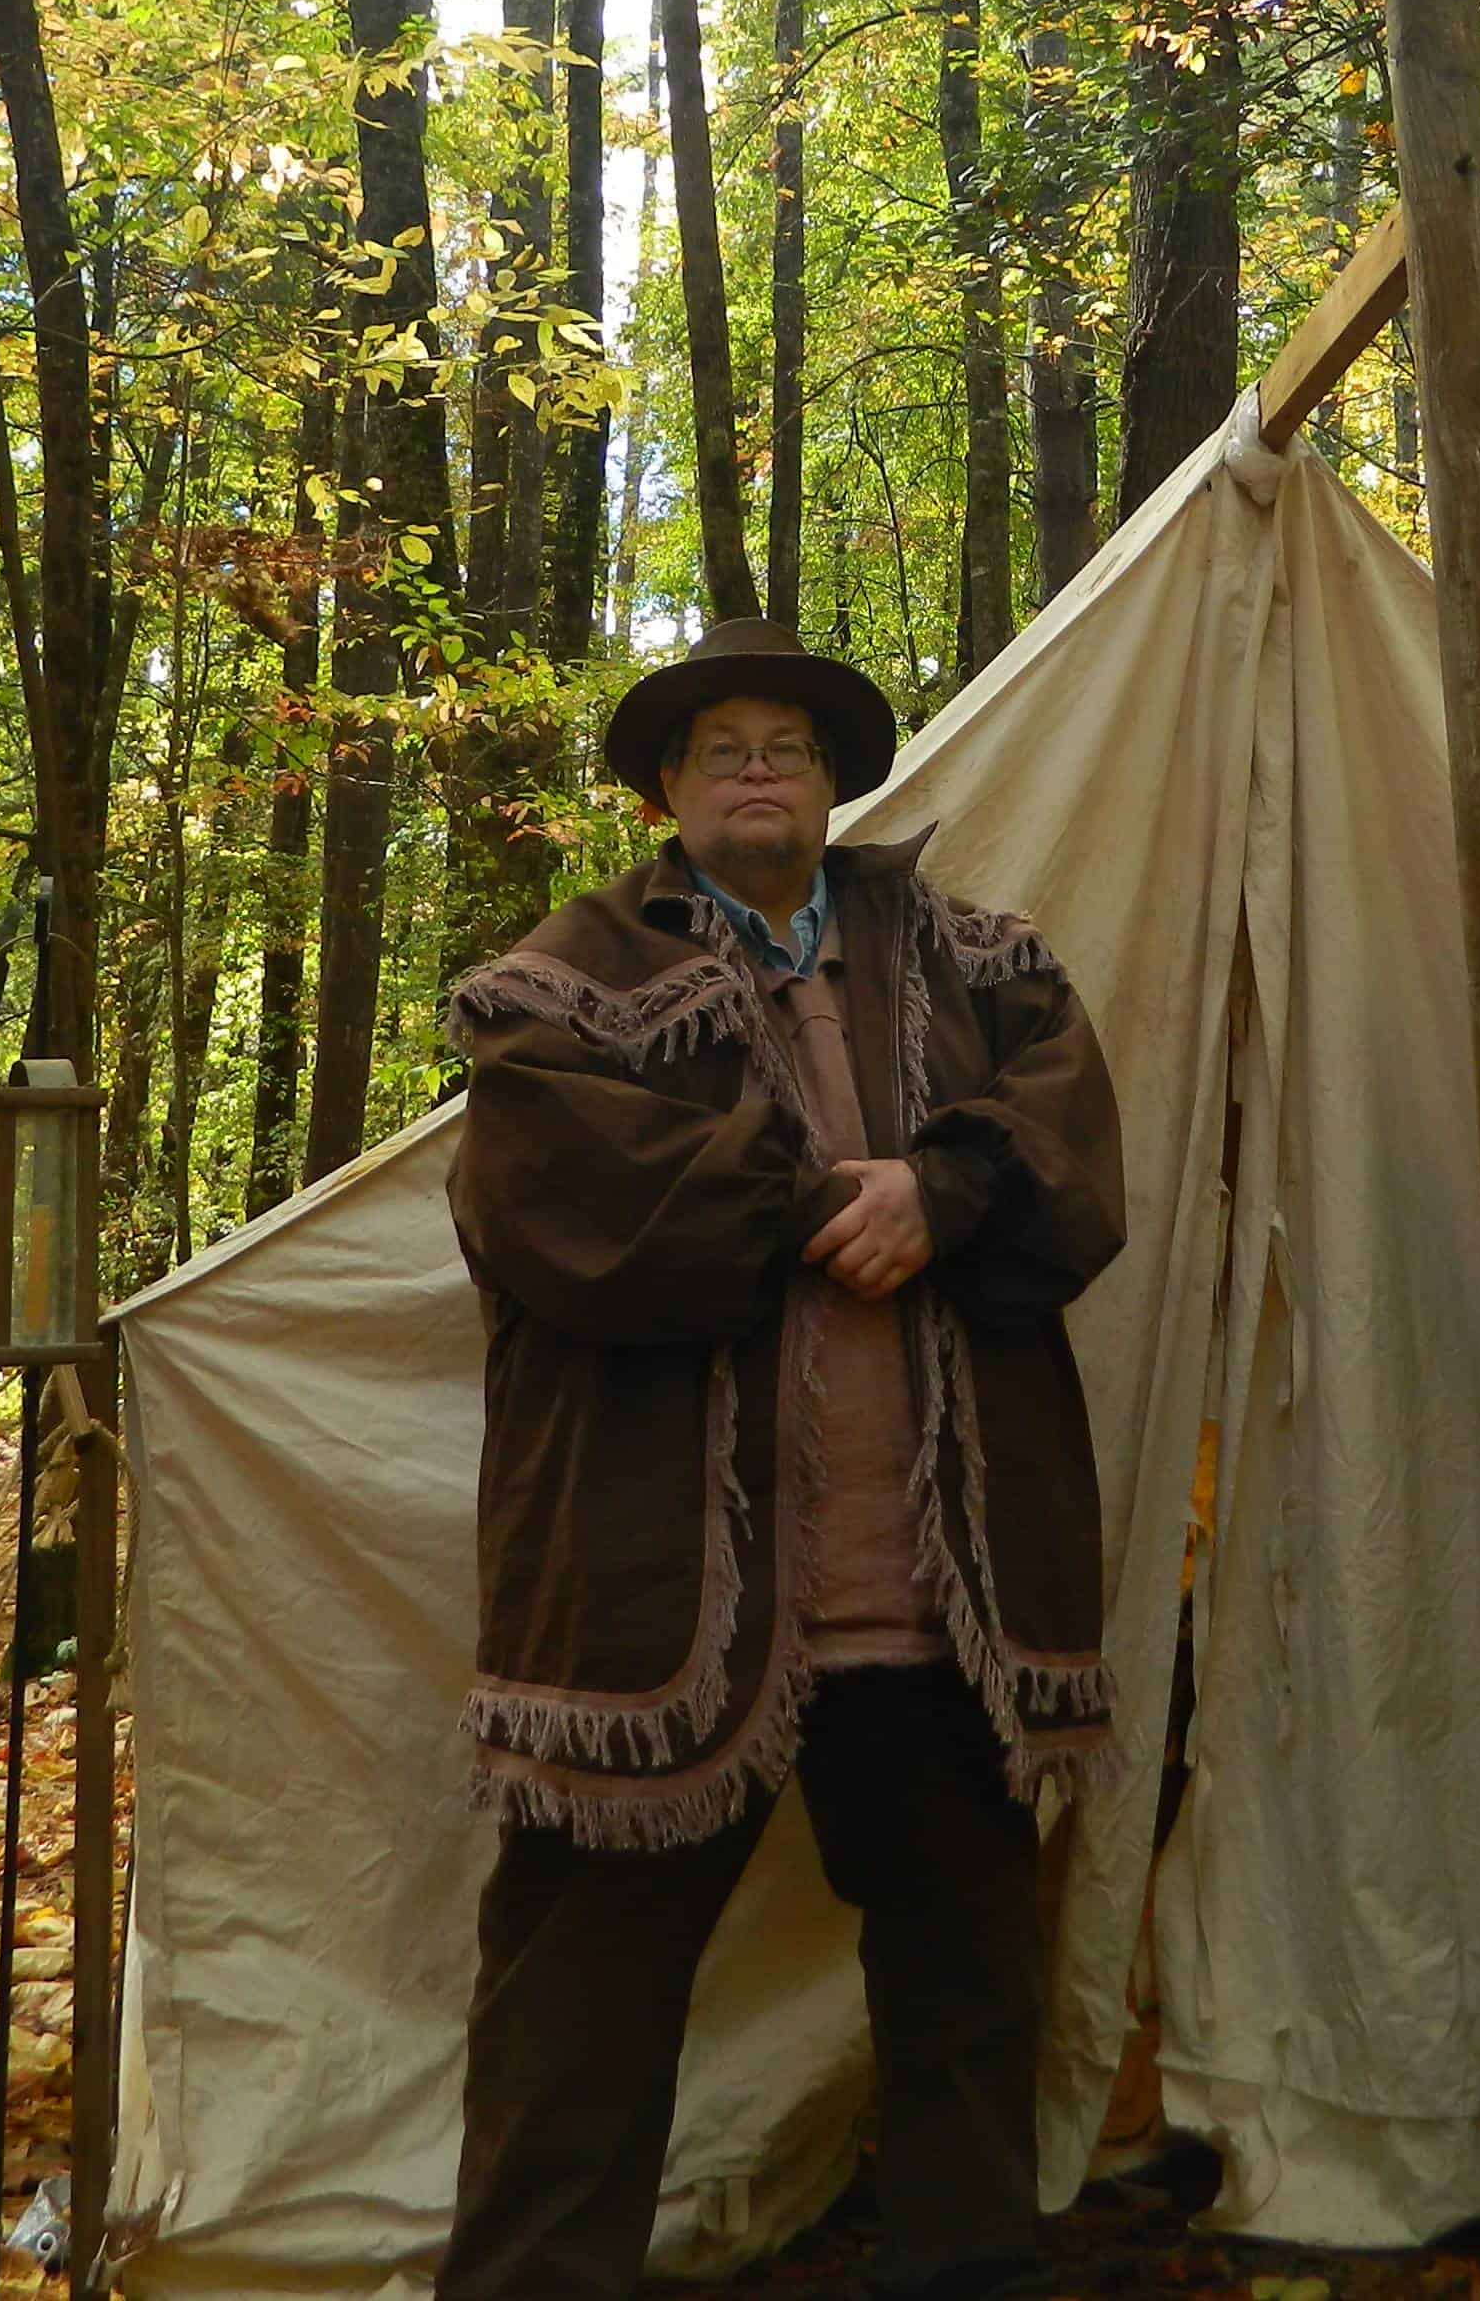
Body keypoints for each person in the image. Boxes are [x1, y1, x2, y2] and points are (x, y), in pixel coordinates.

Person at [438, 617, 1129, 2301]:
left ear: (834, 785)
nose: (760, 768)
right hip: (659, 1602)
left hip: (936, 1590)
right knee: (576, 2015)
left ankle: (967, 2278)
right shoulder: (566, 978)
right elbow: (562, 1202)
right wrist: (850, 1195)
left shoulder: (981, 958)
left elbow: (1071, 1145)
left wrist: (948, 1190)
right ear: (668, 789)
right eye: (722, 745)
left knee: (969, 1993)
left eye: (791, 747)